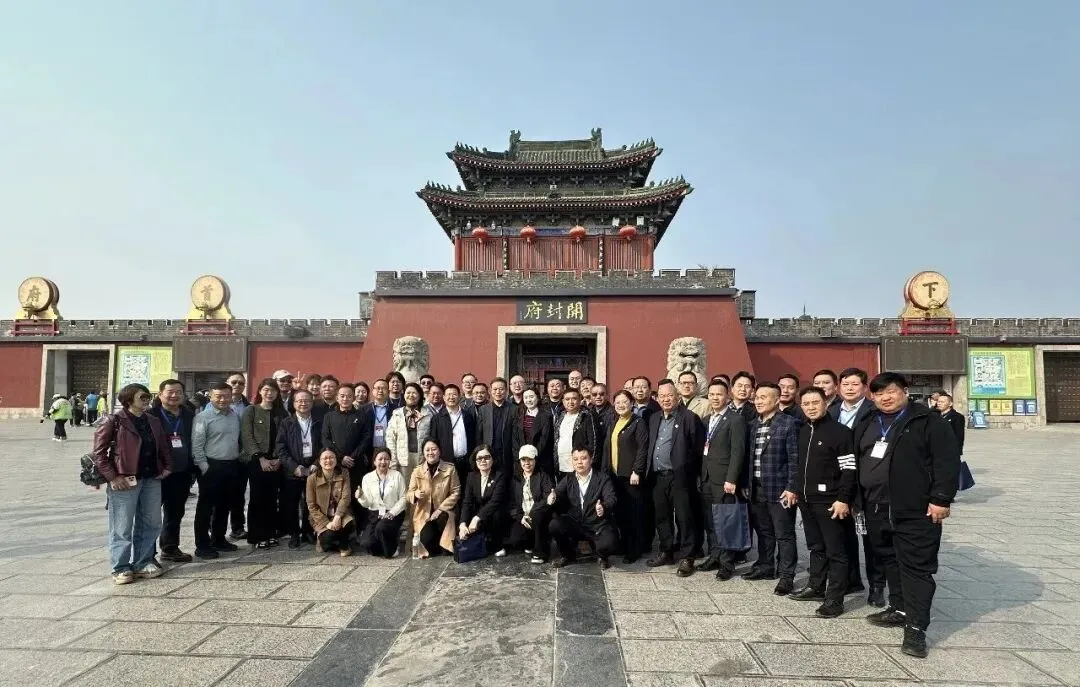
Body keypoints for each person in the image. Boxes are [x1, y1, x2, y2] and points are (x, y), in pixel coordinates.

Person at [854, 372, 960, 659]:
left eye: (891, 391)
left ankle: (915, 628)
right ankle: (899, 608)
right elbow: (857, 459)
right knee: (889, 559)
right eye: (879, 393)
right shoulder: (868, 421)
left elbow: (947, 462)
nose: (885, 397)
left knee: (916, 568)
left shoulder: (928, 421)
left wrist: (941, 498)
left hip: (915, 509)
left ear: (904, 391)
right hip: (876, 507)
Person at [91, 384, 173, 584]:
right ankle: (120, 567)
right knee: (122, 525)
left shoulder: (152, 420)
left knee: (152, 522)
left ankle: (143, 562)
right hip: (124, 480)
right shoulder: (114, 421)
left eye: (148, 397)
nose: (146, 400)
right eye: (142, 397)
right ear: (128, 399)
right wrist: (112, 477)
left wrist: (167, 466)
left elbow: (163, 446)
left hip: (151, 478)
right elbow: (99, 454)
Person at [790, 386, 856, 618]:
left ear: (826, 403)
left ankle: (835, 599)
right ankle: (816, 587)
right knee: (816, 546)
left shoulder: (840, 432)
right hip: (807, 500)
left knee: (836, 551)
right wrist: (795, 490)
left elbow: (849, 468)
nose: (811, 407)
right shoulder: (803, 431)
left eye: (815, 402)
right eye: (806, 404)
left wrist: (843, 498)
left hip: (830, 502)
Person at [743, 383, 801, 595]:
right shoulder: (752, 425)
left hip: (780, 489)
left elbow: (795, 459)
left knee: (784, 534)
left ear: (777, 400)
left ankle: (786, 575)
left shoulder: (789, 424)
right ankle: (765, 566)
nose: (758, 401)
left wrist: (792, 487)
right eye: (757, 397)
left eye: (764, 397)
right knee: (764, 531)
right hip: (756, 487)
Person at [646, 379, 705, 577]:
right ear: (657, 398)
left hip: (680, 476)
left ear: (678, 397)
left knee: (684, 516)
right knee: (662, 516)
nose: (666, 399)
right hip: (658, 476)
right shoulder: (654, 418)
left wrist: (695, 475)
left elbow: (698, 449)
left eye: (670, 395)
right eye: (662, 396)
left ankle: (688, 556)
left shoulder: (689, 417)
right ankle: (667, 551)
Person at [698, 380, 748, 580]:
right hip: (707, 478)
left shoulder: (735, 420)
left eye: (719, 394)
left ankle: (727, 563)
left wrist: (732, 478)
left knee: (726, 522)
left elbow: (738, 452)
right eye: (711, 394)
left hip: (725, 480)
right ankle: (715, 556)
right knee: (711, 521)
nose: (715, 398)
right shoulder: (707, 419)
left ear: (727, 396)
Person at [191, 382, 243, 560]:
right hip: (211, 466)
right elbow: (197, 445)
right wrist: (204, 466)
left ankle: (219, 539)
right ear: (211, 396)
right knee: (205, 507)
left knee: (224, 505)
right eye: (218, 396)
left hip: (231, 465)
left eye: (226, 396)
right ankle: (202, 545)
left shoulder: (234, 416)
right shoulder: (202, 417)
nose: (222, 400)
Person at [548, 447, 618, 569]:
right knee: (555, 525)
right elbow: (557, 493)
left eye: (583, 458)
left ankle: (601, 556)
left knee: (609, 542)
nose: (579, 462)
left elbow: (611, 498)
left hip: (596, 524)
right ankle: (568, 555)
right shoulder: (569, 478)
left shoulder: (602, 478)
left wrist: (603, 506)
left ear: (591, 459)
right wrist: (553, 498)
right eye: (575, 459)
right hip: (575, 522)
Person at [152, 379, 197, 563]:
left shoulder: (189, 414)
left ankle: (170, 548)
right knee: (151, 514)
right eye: (170, 392)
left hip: (182, 472)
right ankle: (146, 554)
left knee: (175, 512)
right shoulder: (151, 415)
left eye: (178, 392)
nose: (174, 395)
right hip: (158, 473)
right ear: (160, 394)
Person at [602, 390, 649, 564]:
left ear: (632, 404)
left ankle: (634, 549)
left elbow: (643, 448)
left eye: (625, 402)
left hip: (630, 476)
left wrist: (637, 470)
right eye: (618, 402)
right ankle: (624, 544)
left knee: (633, 514)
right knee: (620, 513)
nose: (621, 405)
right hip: (615, 475)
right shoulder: (614, 421)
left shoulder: (638, 422)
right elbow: (607, 448)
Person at [276, 388, 321, 548]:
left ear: (312, 403)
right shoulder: (286, 423)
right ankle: (294, 534)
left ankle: (307, 531)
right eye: (299, 401)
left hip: (313, 467)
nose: (303, 403)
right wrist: (294, 467)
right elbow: (280, 448)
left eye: (307, 400)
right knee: (291, 504)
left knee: (311, 502)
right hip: (293, 470)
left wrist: (316, 463)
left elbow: (325, 445)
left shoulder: (318, 421)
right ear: (294, 403)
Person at [407, 438, 461, 558]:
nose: (430, 453)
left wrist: (440, 509)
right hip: (425, 515)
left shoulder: (450, 469)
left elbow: (456, 492)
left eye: (434, 449)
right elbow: (409, 493)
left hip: (444, 514)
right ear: (423, 452)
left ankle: (445, 543)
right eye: (427, 450)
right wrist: (415, 494)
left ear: (439, 451)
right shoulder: (417, 471)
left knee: (447, 550)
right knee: (426, 542)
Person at [458, 445, 509, 557]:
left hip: (493, 514)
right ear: (475, 460)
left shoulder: (499, 475)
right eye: (479, 458)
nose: (483, 461)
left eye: (487, 457)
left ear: (493, 459)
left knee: (497, 513)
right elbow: (467, 502)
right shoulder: (471, 476)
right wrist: (462, 524)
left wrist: (477, 518)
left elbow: (495, 502)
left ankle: (498, 546)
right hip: (478, 515)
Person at [356, 448, 408, 558]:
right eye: (380, 459)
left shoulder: (397, 475)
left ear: (390, 461)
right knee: (366, 543)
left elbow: (404, 498)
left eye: (386, 459)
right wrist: (361, 496)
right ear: (374, 461)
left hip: (393, 513)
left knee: (382, 527)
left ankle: (392, 550)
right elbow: (367, 503)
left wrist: (392, 512)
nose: (383, 462)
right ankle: (387, 541)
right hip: (375, 514)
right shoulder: (367, 478)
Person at [509, 445, 554, 564]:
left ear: (535, 460)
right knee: (515, 540)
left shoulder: (543, 476)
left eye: (530, 459)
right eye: (523, 460)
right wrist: (521, 517)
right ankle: (530, 543)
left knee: (538, 517)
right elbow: (512, 503)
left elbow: (547, 499)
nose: (526, 463)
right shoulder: (516, 478)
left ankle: (540, 553)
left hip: (539, 515)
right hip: (523, 516)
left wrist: (531, 513)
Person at [307, 450, 356, 556]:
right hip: (321, 517)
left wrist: (337, 517)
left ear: (336, 459)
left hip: (341, 515)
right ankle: (340, 542)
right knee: (329, 536)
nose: (328, 460)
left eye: (331, 457)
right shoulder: (312, 479)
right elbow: (311, 505)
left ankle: (343, 544)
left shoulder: (344, 473)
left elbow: (346, 498)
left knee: (349, 525)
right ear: (319, 461)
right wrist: (327, 523)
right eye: (325, 458)